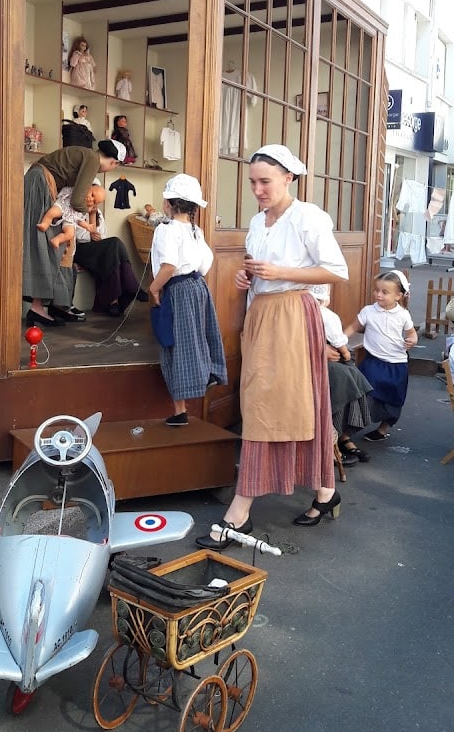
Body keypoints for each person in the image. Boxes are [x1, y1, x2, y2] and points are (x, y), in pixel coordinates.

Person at [196, 144, 349, 549]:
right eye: (253, 182)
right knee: (283, 403)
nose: (258, 189)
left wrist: (280, 272)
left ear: (288, 179)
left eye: (265, 181)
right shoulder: (257, 221)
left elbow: (336, 270)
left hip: (294, 317)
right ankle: (325, 492)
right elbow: (257, 265)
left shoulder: (308, 217)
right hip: (263, 314)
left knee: (273, 405)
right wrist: (249, 279)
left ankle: (239, 513)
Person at [149, 173, 227, 427]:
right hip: (198, 287)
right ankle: (207, 375)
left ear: (169, 204)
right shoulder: (196, 230)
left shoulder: (165, 229)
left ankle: (180, 409)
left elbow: (168, 265)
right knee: (200, 337)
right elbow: (206, 263)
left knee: (174, 344)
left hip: (176, 289)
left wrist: (153, 288)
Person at [23, 140, 125, 328]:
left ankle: (43, 307)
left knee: (51, 243)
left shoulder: (86, 155)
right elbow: (78, 200)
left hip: (41, 182)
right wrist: (87, 218)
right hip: (41, 183)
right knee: (44, 243)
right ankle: (37, 308)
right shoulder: (92, 160)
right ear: (114, 163)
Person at [343, 270, 417, 441]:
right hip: (373, 362)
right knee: (364, 396)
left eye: (385, 292)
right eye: (377, 290)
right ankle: (348, 433)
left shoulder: (403, 315)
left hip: (397, 364)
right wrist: (338, 340)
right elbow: (353, 327)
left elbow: (412, 333)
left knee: (393, 399)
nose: (378, 294)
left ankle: (383, 429)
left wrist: (412, 340)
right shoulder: (369, 311)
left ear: (398, 296)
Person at [61, 183, 148, 315]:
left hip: (92, 250)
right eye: (93, 197)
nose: (94, 203)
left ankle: (114, 303)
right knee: (114, 244)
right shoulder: (75, 209)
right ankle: (131, 288)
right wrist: (90, 218)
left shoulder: (98, 213)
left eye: (97, 202)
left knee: (114, 248)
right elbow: (82, 237)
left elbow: (101, 236)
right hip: (78, 250)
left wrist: (94, 216)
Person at [310, 284, 373, 466]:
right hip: (305, 362)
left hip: (324, 355)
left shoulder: (325, 315)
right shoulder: (298, 308)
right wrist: (322, 349)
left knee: (354, 376)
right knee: (344, 378)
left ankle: (343, 436)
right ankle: (331, 440)